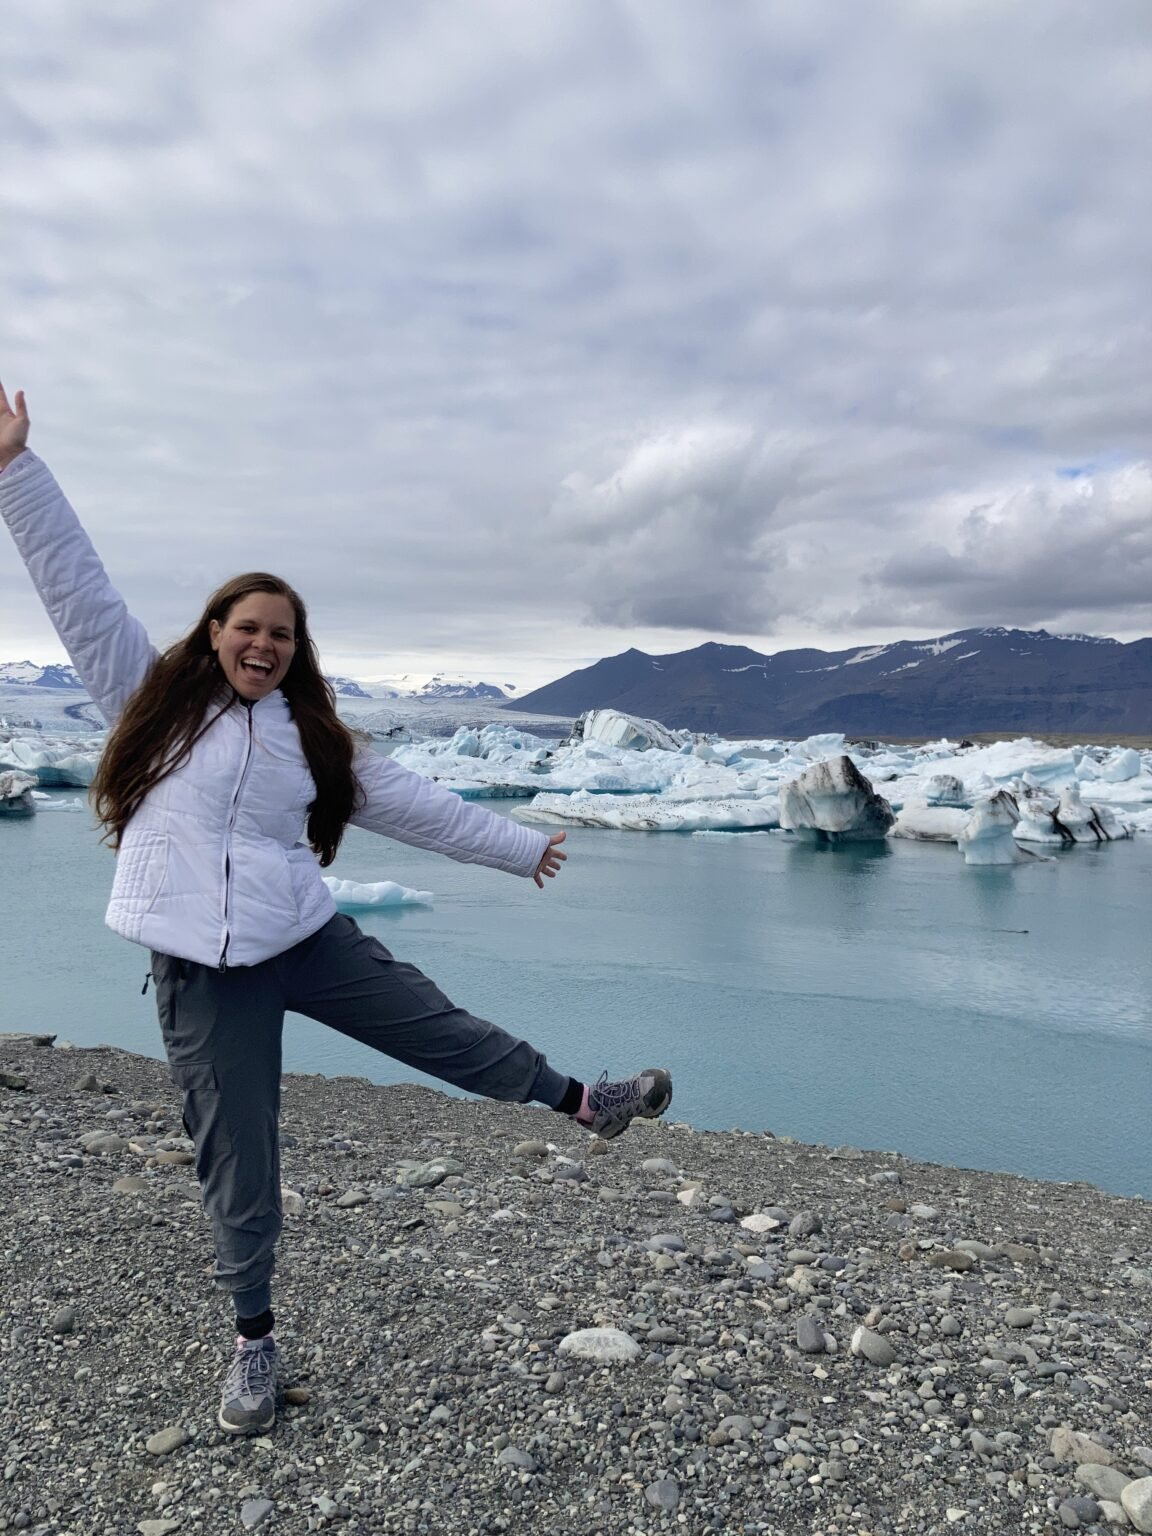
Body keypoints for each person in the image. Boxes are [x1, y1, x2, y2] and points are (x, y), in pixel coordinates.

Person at [0, 382, 672, 1435]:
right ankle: (254, 1344)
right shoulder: (152, 700)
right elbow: (78, 591)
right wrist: (16, 470)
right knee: (240, 1152)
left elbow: (417, 807)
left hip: (302, 938)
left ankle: (586, 1103)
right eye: (248, 627)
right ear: (215, 630)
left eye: (282, 634)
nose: (263, 644)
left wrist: (515, 848)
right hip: (200, 969)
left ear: (296, 648)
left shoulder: (317, 740)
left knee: (442, 1028)